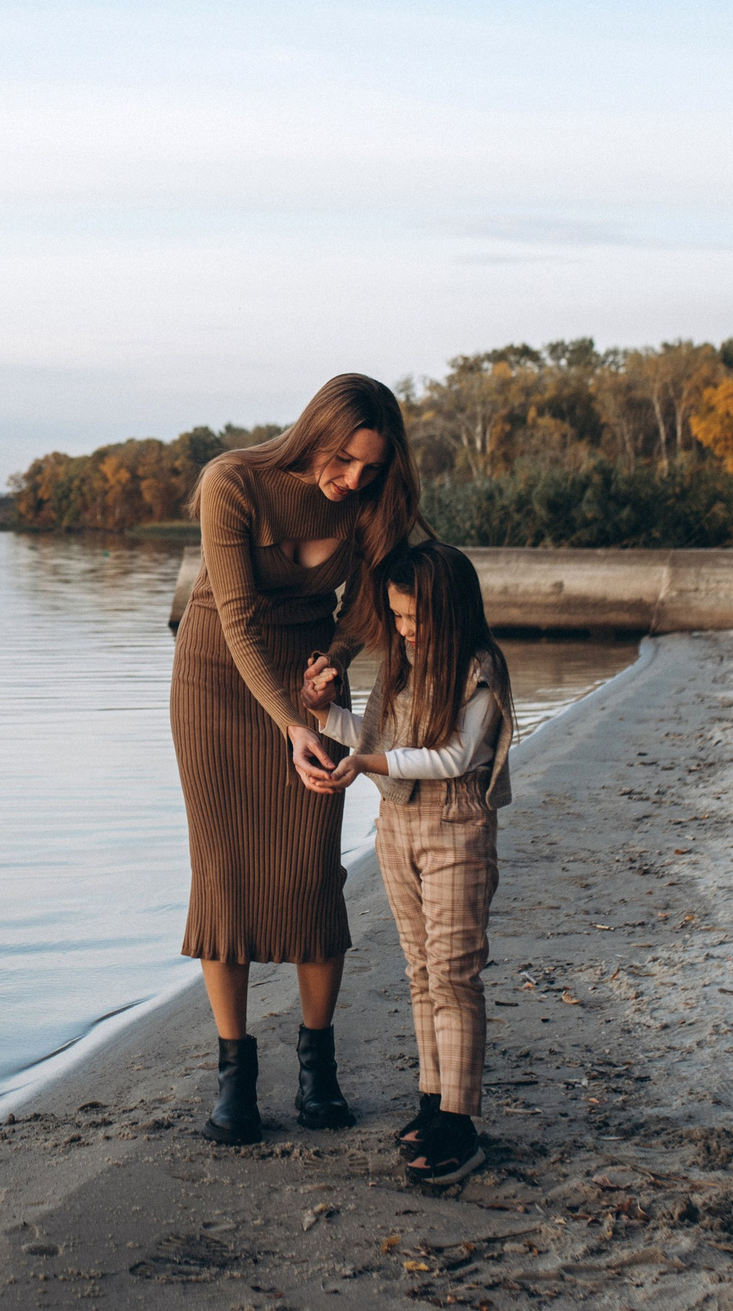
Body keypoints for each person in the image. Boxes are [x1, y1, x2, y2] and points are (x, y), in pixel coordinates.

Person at [172, 374, 424, 1146]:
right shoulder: (233, 482)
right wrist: (286, 722)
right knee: (225, 872)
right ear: (315, 430)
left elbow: (371, 600)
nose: (352, 479)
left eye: (369, 469)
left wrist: (335, 657)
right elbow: (240, 621)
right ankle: (235, 1078)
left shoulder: (374, 501)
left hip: (310, 685)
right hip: (218, 677)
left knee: (312, 871)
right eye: (344, 459)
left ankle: (319, 1070)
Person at [298, 538, 514, 1186]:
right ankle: (430, 1097)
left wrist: (366, 762)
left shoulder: (479, 668)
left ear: (450, 610)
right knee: (421, 972)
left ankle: (460, 1121)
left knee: (454, 975)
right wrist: (321, 713)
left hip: (457, 830)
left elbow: (454, 757)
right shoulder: (398, 665)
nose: (404, 628)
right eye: (396, 616)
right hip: (396, 826)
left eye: (414, 616)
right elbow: (370, 740)